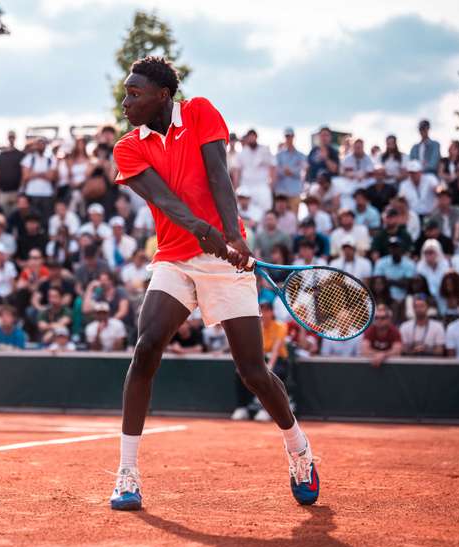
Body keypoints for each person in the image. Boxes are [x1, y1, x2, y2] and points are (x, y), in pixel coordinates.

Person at [109, 56, 318, 511]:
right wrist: (206, 233)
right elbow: (162, 200)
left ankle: (298, 449)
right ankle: (127, 473)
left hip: (225, 258)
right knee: (146, 347)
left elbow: (219, 175)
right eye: (126, 92)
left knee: (253, 372)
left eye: (134, 93)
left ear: (163, 96)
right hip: (175, 259)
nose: (125, 101)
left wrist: (233, 236)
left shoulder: (200, 111)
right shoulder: (127, 147)